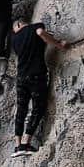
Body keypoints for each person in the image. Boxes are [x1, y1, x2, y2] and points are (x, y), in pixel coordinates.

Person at [11, 18, 69, 156]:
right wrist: (59, 44)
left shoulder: (14, 40)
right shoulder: (34, 27)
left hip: (21, 77)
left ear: (18, 25)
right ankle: (26, 142)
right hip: (36, 75)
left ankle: (17, 145)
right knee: (38, 106)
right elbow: (40, 32)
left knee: (21, 109)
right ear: (21, 23)